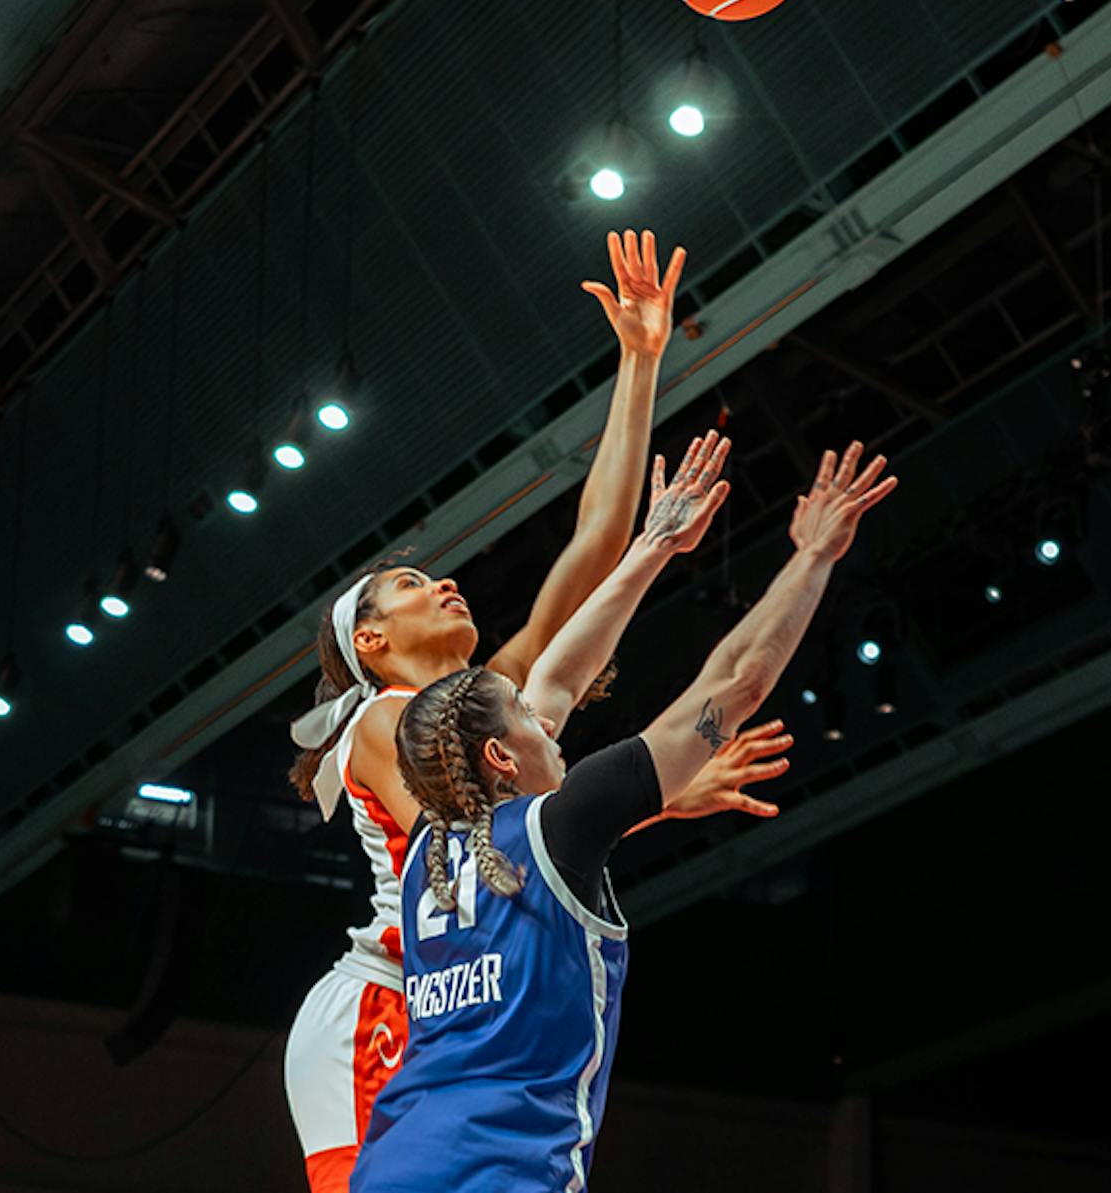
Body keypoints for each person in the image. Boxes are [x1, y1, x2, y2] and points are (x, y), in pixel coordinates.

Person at [282, 236, 788, 1193]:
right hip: (387, 1007)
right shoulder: (385, 724)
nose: (444, 583)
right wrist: (648, 799)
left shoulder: (474, 703)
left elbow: (593, 551)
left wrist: (640, 364)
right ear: (373, 645)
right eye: (409, 584)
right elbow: (480, 836)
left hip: (458, 1007)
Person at [349, 440, 897, 1193]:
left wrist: (655, 546)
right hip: (498, 1176)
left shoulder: (422, 859)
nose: (552, 723)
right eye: (533, 722)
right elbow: (737, 682)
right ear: (501, 758)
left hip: (390, 1162)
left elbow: (557, 677)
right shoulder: (562, 822)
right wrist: (813, 556)